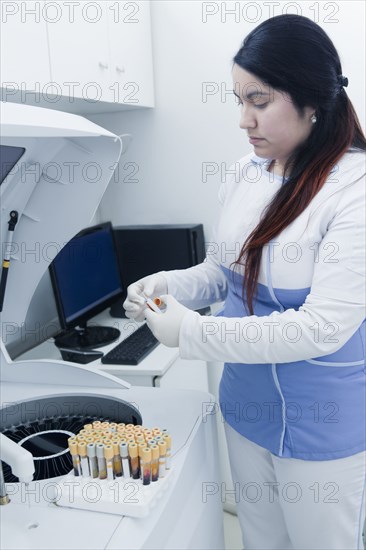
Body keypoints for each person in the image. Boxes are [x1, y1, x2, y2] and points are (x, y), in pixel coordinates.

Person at [123, 14, 366, 550]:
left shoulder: (355, 190)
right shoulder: (245, 173)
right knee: (261, 542)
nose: (243, 120)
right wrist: (166, 284)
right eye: (240, 101)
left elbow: (320, 328)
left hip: (319, 425)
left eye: (259, 102)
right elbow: (222, 273)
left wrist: (190, 334)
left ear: (311, 101)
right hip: (246, 408)